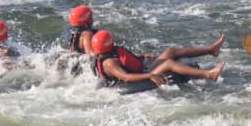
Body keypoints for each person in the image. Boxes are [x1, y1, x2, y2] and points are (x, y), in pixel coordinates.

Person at [91, 30, 226, 87]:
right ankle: (209, 74)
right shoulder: (109, 63)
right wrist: (150, 75)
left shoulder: (109, 53)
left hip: (142, 69)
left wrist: (141, 57)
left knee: (170, 51)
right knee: (168, 63)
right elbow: (126, 77)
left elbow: (125, 60)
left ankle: (211, 50)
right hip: (139, 77)